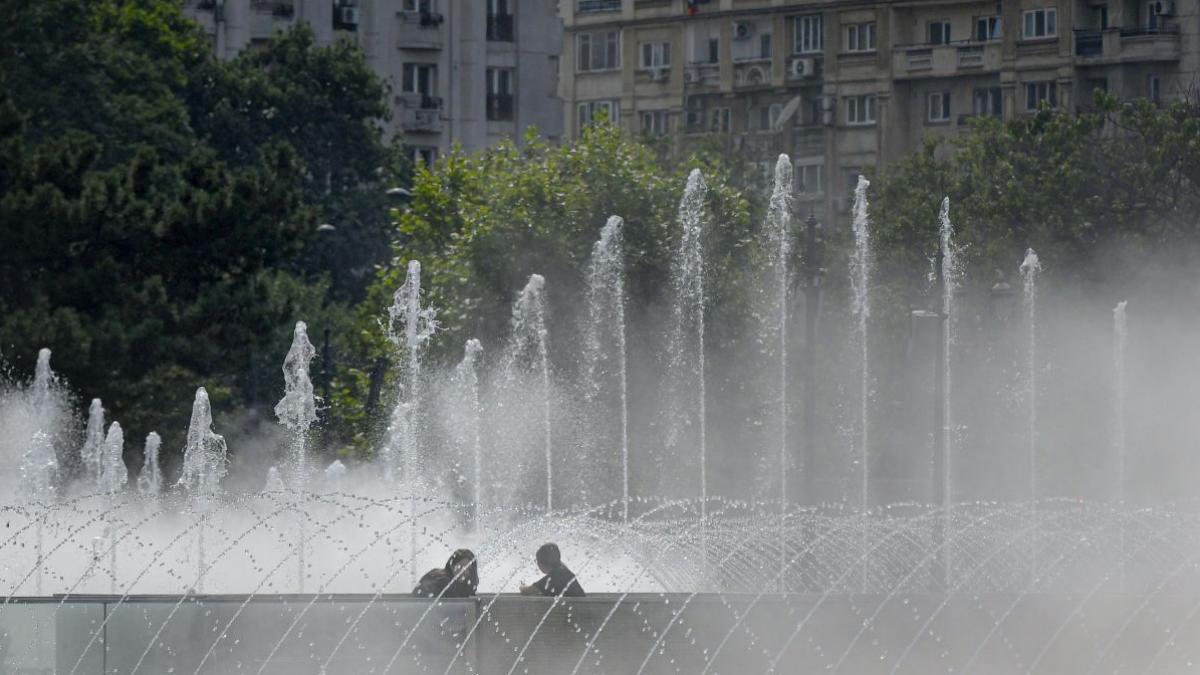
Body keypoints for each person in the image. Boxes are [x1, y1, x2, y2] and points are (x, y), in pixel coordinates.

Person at [519, 542, 585, 597]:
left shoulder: (554, 577)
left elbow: (526, 591)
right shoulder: (565, 573)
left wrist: (522, 586)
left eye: (536, 561)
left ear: (541, 562)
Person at [413, 548, 479, 598]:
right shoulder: (444, 582)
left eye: (469, 569)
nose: (464, 571)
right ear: (452, 566)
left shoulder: (437, 574)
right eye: (461, 566)